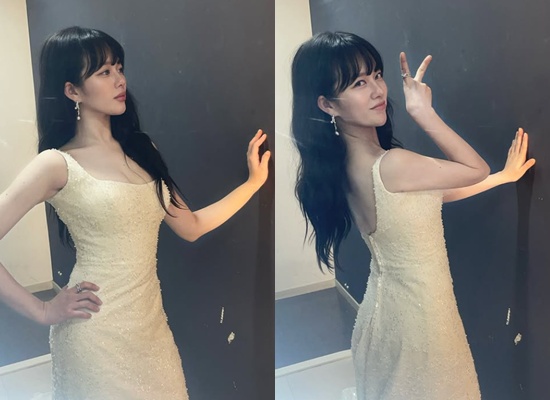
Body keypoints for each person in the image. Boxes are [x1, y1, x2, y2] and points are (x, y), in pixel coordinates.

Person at [0, 26, 270, 399]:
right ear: (72, 91)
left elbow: (191, 226)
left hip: (151, 329)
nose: (119, 80)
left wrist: (253, 184)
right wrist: (42, 311)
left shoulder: (143, 150)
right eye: (104, 72)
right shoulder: (56, 164)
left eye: (119, 68)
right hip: (94, 332)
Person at [290, 31, 535, 400]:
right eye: (359, 83)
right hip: (420, 323)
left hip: (386, 315)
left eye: (376, 75)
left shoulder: (343, 164)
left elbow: (432, 195)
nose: (378, 90)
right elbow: (475, 169)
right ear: (328, 105)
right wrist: (423, 112)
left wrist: (504, 177)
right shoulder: (392, 164)